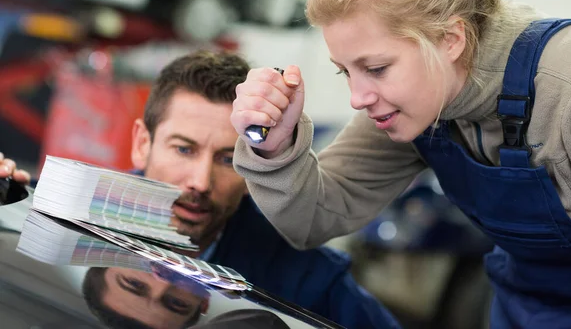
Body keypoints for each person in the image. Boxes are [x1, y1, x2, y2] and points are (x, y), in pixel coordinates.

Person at [229, 0, 571, 328]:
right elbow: (315, 218)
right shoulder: (422, 102)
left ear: (450, 39)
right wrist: (277, 147)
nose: (358, 97)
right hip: (525, 311)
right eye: (346, 72)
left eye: (376, 69)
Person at [1, 50, 401, 329]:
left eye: (228, 159)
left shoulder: (303, 275)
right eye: (183, 148)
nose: (199, 181)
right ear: (143, 143)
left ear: (257, 167)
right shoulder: (64, 210)